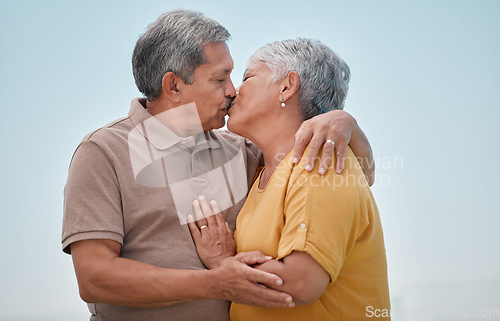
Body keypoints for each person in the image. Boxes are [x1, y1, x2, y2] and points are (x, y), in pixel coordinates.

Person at [62, 10, 376, 321]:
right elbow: (94, 278)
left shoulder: (245, 152)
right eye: (219, 78)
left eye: (236, 76)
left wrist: (345, 122)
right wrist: (217, 283)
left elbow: (352, 180)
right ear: (173, 86)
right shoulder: (103, 152)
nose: (231, 90)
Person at [188, 38, 390, 320]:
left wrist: (223, 264)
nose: (233, 91)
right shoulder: (262, 170)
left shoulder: (318, 163)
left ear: (287, 86)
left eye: (247, 77)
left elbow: (301, 283)